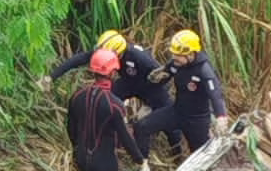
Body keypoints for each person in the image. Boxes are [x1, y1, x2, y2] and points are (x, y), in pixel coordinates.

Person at [41, 29, 182, 163]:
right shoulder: (106, 52)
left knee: (168, 118)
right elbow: (79, 59)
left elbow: (164, 75)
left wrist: (149, 105)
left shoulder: (139, 57)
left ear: (118, 53)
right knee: (106, 103)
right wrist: (51, 77)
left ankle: (177, 155)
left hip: (150, 87)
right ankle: (104, 135)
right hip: (127, 83)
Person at [133, 29, 229, 156]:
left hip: (197, 121)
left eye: (178, 55)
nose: (174, 57)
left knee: (200, 156)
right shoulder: (176, 64)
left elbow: (216, 95)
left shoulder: (204, 70)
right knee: (142, 127)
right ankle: (143, 165)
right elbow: (164, 75)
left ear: (190, 54)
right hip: (177, 111)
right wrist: (155, 81)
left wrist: (221, 117)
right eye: (174, 54)